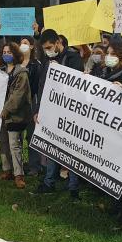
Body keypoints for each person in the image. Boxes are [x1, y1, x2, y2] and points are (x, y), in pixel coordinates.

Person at [35, 29, 84, 198]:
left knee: (70, 149)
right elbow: (42, 85)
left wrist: (60, 69)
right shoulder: (47, 60)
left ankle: (73, 186)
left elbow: (77, 82)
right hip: (52, 110)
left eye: (50, 47)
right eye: (45, 48)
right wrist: (38, 109)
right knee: (51, 147)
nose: (48, 50)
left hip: (70, 111)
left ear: (58, 42)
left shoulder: (73, 58)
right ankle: (49, 182)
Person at [0, 42, 32, 189]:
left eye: (9, 52)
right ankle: (7, 170)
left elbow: (18, 95)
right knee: (3, 143)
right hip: (0, 114)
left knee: (14, 144)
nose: (6, 54)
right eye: (4, 52)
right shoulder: (0, 71)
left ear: (16, 54)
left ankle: (19, 174)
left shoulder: (22, 73)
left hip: (15, 115)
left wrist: (7, 109)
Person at [19, 36, 43, 176]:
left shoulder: (36, 64)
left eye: (26, 43)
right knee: (17, 137)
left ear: (32, 47)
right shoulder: (16, 63)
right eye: (21, 43)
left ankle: (35, 166)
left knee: (31, 136)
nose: (22, 45)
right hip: (17, 104)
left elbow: (36, 86)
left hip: (30, 103)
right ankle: (19, 165)